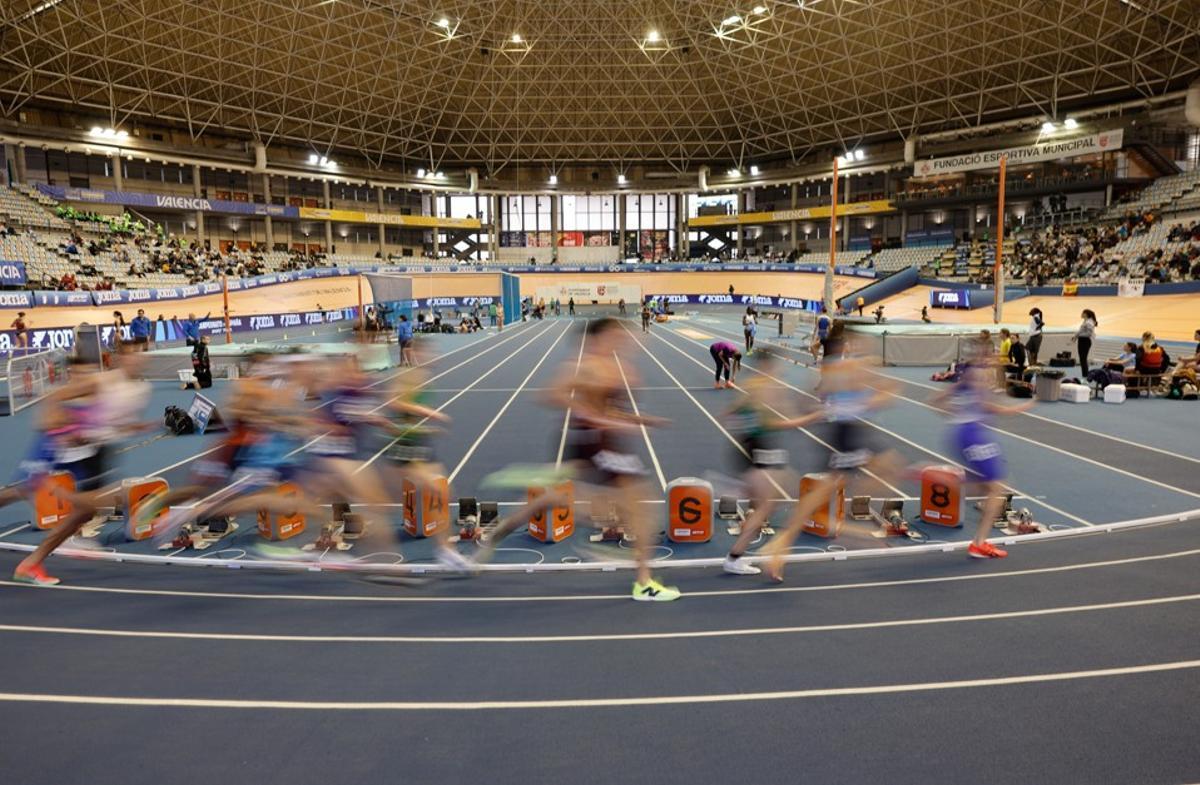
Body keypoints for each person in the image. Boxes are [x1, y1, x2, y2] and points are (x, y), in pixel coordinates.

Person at [761, 329, 906, 582]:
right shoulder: (853, 366)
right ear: (850, 346)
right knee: (836, 485)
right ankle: (784, 543)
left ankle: (786, 543)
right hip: (847, 433)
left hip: (850, 431)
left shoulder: (834, 368)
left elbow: (815, 396)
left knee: (883, 469)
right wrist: (882, 394)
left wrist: (831, 403)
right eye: (863, 344)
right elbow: (875, 396)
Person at [929, 338, 1032, 559]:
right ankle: (978, 543)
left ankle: (952, 485)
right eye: (992, 353)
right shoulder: (980, 374)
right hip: (973, 434)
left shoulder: (968, 374)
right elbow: (988, 405)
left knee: (988, 487)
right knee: (997, 487)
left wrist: (956, 415)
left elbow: (935, 400)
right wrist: (1020, 408)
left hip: (965, 432)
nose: (995, 357)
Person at [722, 351, 812, 575]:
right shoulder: (768, 387)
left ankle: (744, 489)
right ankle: (734, 557)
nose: (780, 369)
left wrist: (746, 425)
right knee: (769, 504)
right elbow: (778, 422)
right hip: (761, 448)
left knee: (774, 498)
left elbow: (728, 414)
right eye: (777, 365)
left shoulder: (750, 385)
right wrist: (813, 418)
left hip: (751, 447)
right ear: (767, 366)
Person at [1072, 309, 1097, 376]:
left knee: (1083, 359)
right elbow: (1081, 331)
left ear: (1086, 314)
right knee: (1082, 359)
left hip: (1085, 341)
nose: (1081, 314)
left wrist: (1078, 335)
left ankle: (1085, 375)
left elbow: (1089, 334)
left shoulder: (1089, 322)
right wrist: (1076, 336)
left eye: (1083, 313)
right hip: (1082, 341)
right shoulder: (1086, 321)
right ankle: (1085, 374)